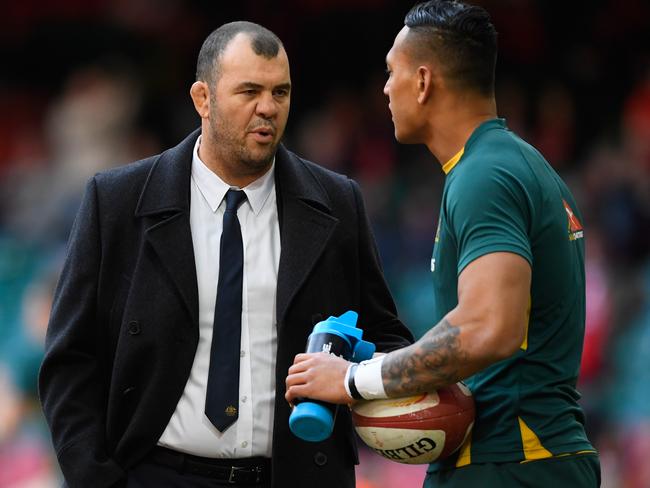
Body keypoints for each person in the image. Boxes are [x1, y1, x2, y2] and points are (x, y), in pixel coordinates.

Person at [38, 21, 413, 488]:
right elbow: (70, 361)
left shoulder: (338, 203)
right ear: (203, 98)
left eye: (281, 92)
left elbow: (387, 336)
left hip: (292, 475)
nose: (268, 109)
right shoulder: (116, 201)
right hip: (155, 475)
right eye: (249, 91)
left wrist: (352, 372)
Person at [285, 1, 601, 486]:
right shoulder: (510, 164)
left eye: (392, 72)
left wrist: (353, 380)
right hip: (522, 459)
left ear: (424, 81)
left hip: (511, 462)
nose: (385, 89)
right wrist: (374, 365)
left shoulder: (485, 175)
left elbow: (487, 329)